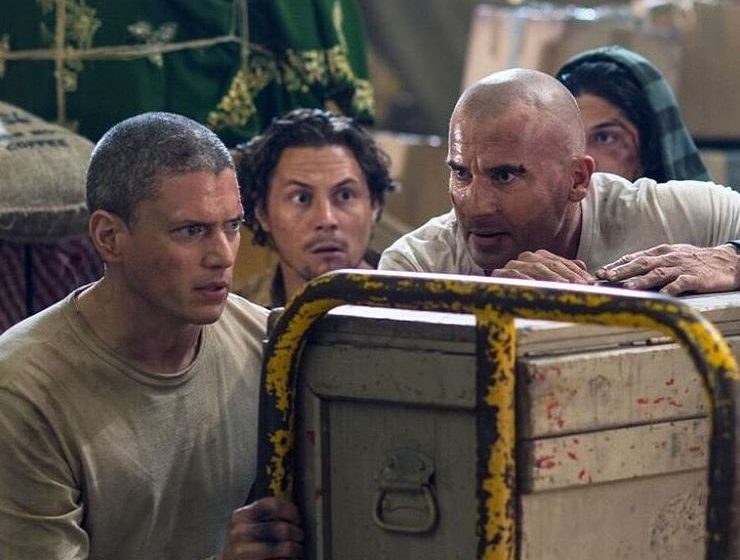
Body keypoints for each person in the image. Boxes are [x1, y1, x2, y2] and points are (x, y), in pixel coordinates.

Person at [0, 112, 303, 560]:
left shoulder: (266, 347)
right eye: (191, 231)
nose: (222, 255)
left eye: (232, 226)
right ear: (109, 237)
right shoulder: (24, 393)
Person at [378, 69, 740, 296]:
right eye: (461, 173)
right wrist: (491, 306)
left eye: (504, 175)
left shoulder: (667, 214)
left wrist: (731, 260)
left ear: (578, 179)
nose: (474, 204)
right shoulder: (416, 268)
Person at [235, 108, 395, 307]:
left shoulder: (417, 305)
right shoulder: (234, 316)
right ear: (262, 213)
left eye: (345, 195)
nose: (326, 219)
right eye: (301, 198)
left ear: (374, 205)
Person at [555, 45, 710, 183]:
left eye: (604, 138)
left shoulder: (697, 206)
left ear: (650, 152)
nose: (583, 162)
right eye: (567, 140)